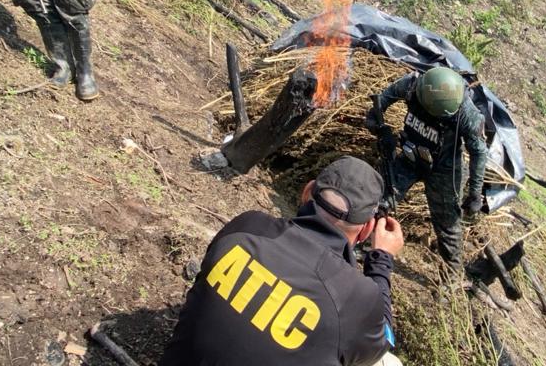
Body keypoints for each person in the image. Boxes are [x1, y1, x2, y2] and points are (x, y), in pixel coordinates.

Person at [159, 156, 405, 366]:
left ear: (307, 192)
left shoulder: (247, 225)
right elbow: (383, 338)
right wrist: (381, 259)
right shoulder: (356, 297)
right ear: (366, 230)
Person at [367, 66, 488, 271]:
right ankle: (368, 245)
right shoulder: (412, 85)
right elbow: (381, 101)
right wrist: (381, 129)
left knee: (448, 226)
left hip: (444, 170)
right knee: (380, 200)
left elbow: (479, 152)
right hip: (409, 155)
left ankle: (451, 274)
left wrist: (475, 192)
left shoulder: (467, 113)